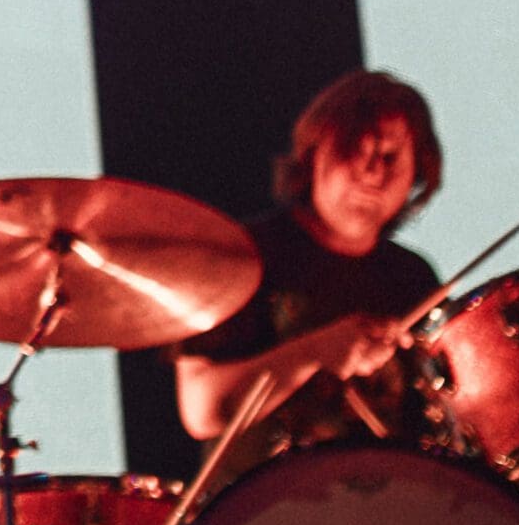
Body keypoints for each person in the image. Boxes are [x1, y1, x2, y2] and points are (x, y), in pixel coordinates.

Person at [174, 68, 448, 474]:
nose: (374, 172)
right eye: (357, 148)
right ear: (314, 152)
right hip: (260, 518)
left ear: (417, 175)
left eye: (392, 157)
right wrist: (317, 351)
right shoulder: (242, 257)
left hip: (385, 515)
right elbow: (202, 410)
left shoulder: (414, 278)